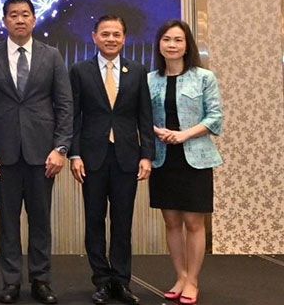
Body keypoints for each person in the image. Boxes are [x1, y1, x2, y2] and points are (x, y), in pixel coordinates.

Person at [0, 0, 73, 305]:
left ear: (34, 19)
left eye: (25, 14)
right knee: (8, 220)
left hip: (43, 153)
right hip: (2, 154)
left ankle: (41, 280)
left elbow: (65, 105)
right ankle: (11, 281)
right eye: (13, 14)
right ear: (4, 20)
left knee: (41, 219)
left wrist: (61, 148)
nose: (19, 19)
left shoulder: (52, 55)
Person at [68, 15, 153, 305]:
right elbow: (73, 117)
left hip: (127, 157)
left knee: (122, 222)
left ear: (124, 38)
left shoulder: (137, 71)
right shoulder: (80, 70)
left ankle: (122, 281)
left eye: (116, 34)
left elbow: (145, 116)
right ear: (94, 37)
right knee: (94, 220)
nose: (111, 39)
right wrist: (74, 154)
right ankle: (102, 281)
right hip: (92, 157)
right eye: (105, 34)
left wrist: (147, 155)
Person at [147, 20, 223, 305]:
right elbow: (141, 116)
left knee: (194, 222)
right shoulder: (149, 79)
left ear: (187, 45)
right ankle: (180, 276)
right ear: (159, 44)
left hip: (196, 158)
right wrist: (157, 131)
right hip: (163, 157)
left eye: (178, 40)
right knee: (171, 222)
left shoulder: (204, 77)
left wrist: (183, 135)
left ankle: (193, 280)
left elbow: (215, 117)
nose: (172, 45)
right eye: (167, 39)